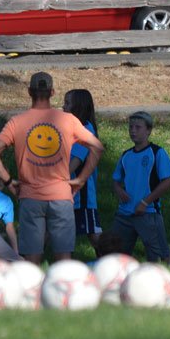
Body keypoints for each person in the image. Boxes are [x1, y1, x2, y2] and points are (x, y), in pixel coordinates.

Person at [0, 71, 104, 264]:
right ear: (53, 92)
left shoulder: (17, 122)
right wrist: (81, 179)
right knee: (63, 262)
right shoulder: (69, 120)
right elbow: (97, 148)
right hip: (61, 197)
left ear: (29, 92)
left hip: (30, 197)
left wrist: (8, 182)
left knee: (31, 261)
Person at [111, 111, 170, 264]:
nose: (133, 131)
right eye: (130, 127)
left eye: (138, 127)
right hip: (124, 214)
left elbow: (167, 182)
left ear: (148, 130)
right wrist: (119, 190)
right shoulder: (126, 155)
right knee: (115, 256)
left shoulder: (157, 153)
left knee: (160, 256)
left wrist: (145, 202)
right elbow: (116, 180)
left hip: (148, 214)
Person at [63, 88, 102, 251]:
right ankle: (30, 259)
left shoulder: (85, 131)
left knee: (93, 234)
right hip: (67, 192)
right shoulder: (70, 128)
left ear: (78, 107)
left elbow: (75, 162)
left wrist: (53, 178)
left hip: (82, 195)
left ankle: (112, 259)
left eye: (67, 103)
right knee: (53, 229)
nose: (63, 107)